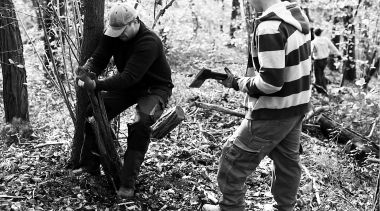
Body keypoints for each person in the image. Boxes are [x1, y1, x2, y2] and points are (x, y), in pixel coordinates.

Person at [202, 0, 312, 211]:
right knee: (287, 163)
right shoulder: (296, 17)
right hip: (296, 106)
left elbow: (270, 83)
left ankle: (230, 208)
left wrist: (238, 83)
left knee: (232, 158)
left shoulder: (270, 26)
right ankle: (284, 207)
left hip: (272, 111)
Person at [73, 2, 174, 199]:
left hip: (154, 89)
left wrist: (97, 85)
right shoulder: (113, 35)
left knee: (141, 123)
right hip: (129, 87)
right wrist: (86, 70)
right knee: (91, 113)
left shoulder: (149, 41)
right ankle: (90, 164)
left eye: (121, 30)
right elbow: (99, 58)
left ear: (135, 21)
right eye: (115, 30)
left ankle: (128, 182)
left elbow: (129, 76)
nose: (118, 34)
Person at [311, 27, 342, 95]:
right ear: (321, 33)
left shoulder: (313, 42)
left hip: (317, 61)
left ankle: (319, 91)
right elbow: (333, 47)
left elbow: (310, 51)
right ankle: (324, 90)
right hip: (325, 60)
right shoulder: (326, 40)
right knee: (321, 75)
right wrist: (338, 54)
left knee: (317, 76)